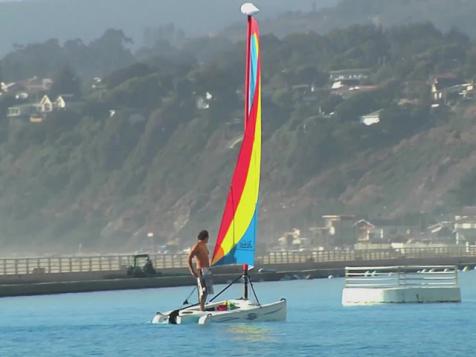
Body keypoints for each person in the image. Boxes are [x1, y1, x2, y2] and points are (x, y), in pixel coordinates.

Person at [188, 230, 214, 311]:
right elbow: (189, 258)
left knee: (207, 290)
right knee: (203, 289)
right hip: (201, 270)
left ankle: (203, 306)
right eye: (207, 238)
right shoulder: (197, 246)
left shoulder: (204, 246)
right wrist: (192, 271)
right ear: (205, 237)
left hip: (207, 270)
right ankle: (202, 308)